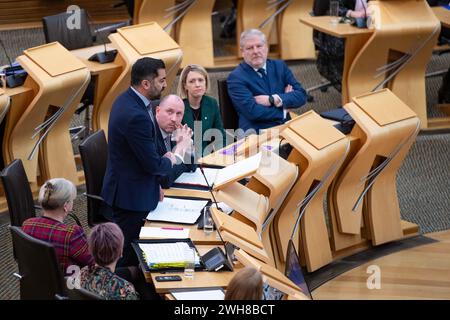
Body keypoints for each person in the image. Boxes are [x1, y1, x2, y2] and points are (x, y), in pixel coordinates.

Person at [101, 57, 192, 268]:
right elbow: (153, 165)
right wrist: (177, 152)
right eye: (161, 80)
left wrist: (157, 183)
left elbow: (141, 156)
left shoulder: (126, 100)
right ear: (146, 84)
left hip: (128, 186)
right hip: (130, 199)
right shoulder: (137, 115)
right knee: (127, 258)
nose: (164, 85)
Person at [227, 29, 307, 133]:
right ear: (242, 52)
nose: (255, 51)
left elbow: (301, 95)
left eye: (259, 46)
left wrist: (273, 99)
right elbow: (253, 112)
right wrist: (284, 109)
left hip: (286, 127)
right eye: (250, 48)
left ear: (266, 48)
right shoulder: (236, 78)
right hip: (257, 132)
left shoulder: (279, 66)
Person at [22, 178, 93, 273]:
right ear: (65, 206)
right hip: (70, 284)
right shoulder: (71, 234)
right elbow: (92, 262)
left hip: (38, 282)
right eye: (72, 200)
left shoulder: (27, 224)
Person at [80, 222, 139, 300]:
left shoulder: (81, 273)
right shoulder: (125, 290)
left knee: (134, 271)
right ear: (120, 252)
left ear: (91, 250)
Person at [177, 64, 226, 157]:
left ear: (206, 83)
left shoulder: (212, 103)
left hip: (210, 158)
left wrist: (218, 156)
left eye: (200, 80)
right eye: (192, 81)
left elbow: (220, 135)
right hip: (187, 160)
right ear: (185, 86)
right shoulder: (179, 107)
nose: (197, 84)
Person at [154, 94, 196, 188]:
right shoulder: (149, 133)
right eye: (169, 112)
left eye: (179, 114)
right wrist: (180, 150)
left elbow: (192, 167)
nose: (174, 119)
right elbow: (164, 180)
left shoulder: (175, 131)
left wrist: (187, 145)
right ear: (158, 111)